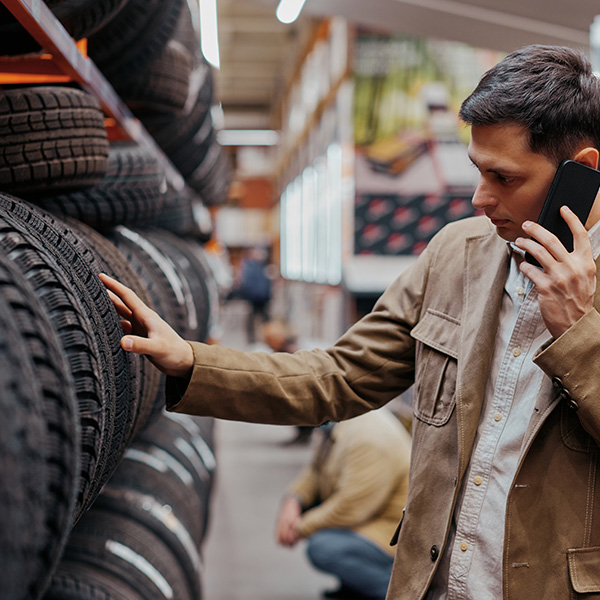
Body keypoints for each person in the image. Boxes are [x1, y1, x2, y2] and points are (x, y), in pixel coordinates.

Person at [100, 45, 600, 599]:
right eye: (477, 171)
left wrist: (578, 333)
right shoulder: (457, 255)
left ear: (582, 171)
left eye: (504, 178)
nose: (480, 198)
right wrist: (193, 361)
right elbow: (339, 376)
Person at [276, 409, 411, 600]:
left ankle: (397, 592)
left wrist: (298, 528)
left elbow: (350, 510)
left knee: (322, 548)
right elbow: (315, 472)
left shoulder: (367, 438)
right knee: (315, 513)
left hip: (392, 535)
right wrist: (293, 500)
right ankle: (355, 586)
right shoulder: (338, 424)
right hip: (371, 516)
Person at [238, 247, 272, 344]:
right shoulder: (249, 266)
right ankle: (252, 339)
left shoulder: (262, 266)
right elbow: (248, 283)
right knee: (252, 317)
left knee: (265, 318)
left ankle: (268, 338)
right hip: (254, 297)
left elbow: (265, 283)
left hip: (263, 297)